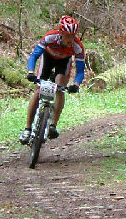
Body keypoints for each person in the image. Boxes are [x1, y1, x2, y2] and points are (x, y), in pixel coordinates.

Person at [19, 15, 85, 144]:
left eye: (73, 35)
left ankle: (53, 125)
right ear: (61, 33)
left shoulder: (78, 46)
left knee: (60, 86)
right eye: (68, 35)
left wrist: (76, 84)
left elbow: (81, 70)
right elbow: (34, 55)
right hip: (48, 58)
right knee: (38, 91)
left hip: (64, 62)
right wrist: (31, 72)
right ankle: (27, 129)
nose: (71, 39)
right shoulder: (50, 37)